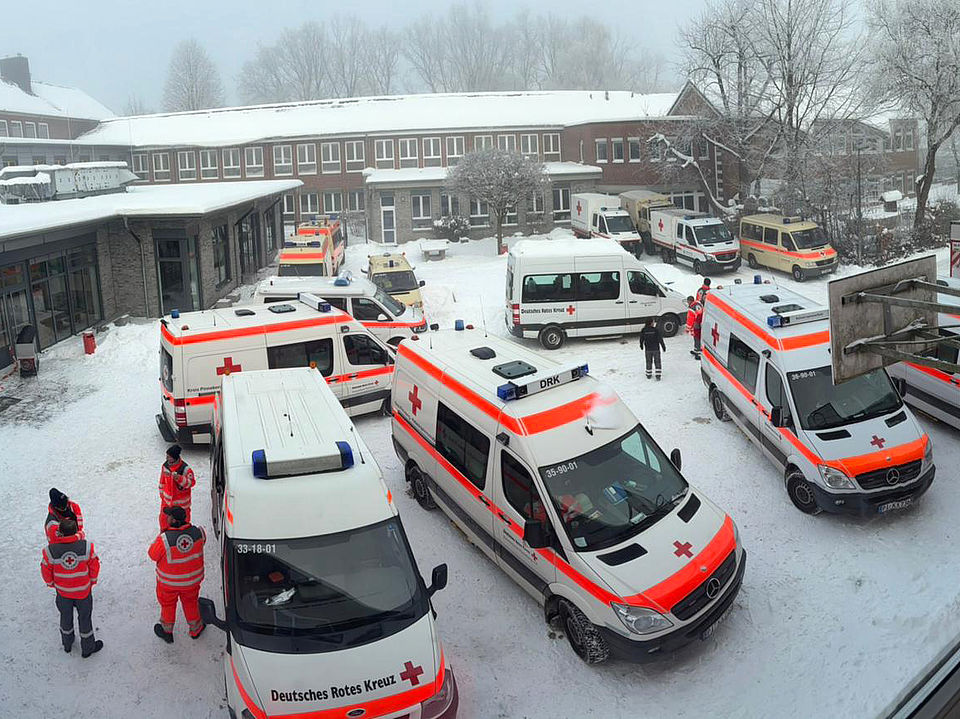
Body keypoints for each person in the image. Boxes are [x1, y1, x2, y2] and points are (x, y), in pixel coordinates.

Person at [41, 516, 103, 657]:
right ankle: (88, 648)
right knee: (85, 618)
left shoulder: (50, 551)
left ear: (60, 533)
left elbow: (45, 570)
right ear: (76, 532)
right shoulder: (86, 547)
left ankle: (67, 644)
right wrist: (92, 581)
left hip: (63, 593)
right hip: (83, 592)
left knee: (65, 617)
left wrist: (51, 583)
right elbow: (94, 566)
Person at [149, 506, 206, 643]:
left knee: (168, 605)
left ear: (173, 520)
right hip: (192, 581)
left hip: (169, 584)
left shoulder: (164, 539)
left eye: (168, 516)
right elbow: (201, 543)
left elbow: (152, 554)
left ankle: (167, 631)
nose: (166, 517)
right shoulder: (198, 532)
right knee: (191, 602)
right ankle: (196, 629)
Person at [159, 444, 195, 530]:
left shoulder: (185, 469)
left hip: (181, 506)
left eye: (169, 457)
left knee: (183, 525)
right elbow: (162, 482)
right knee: (164, 522)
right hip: (167, 503)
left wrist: (179, 478)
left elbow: (191, 483)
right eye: (166, 456)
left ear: (175, 457)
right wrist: (162, 496)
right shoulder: (165, 467)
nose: (167, 459)